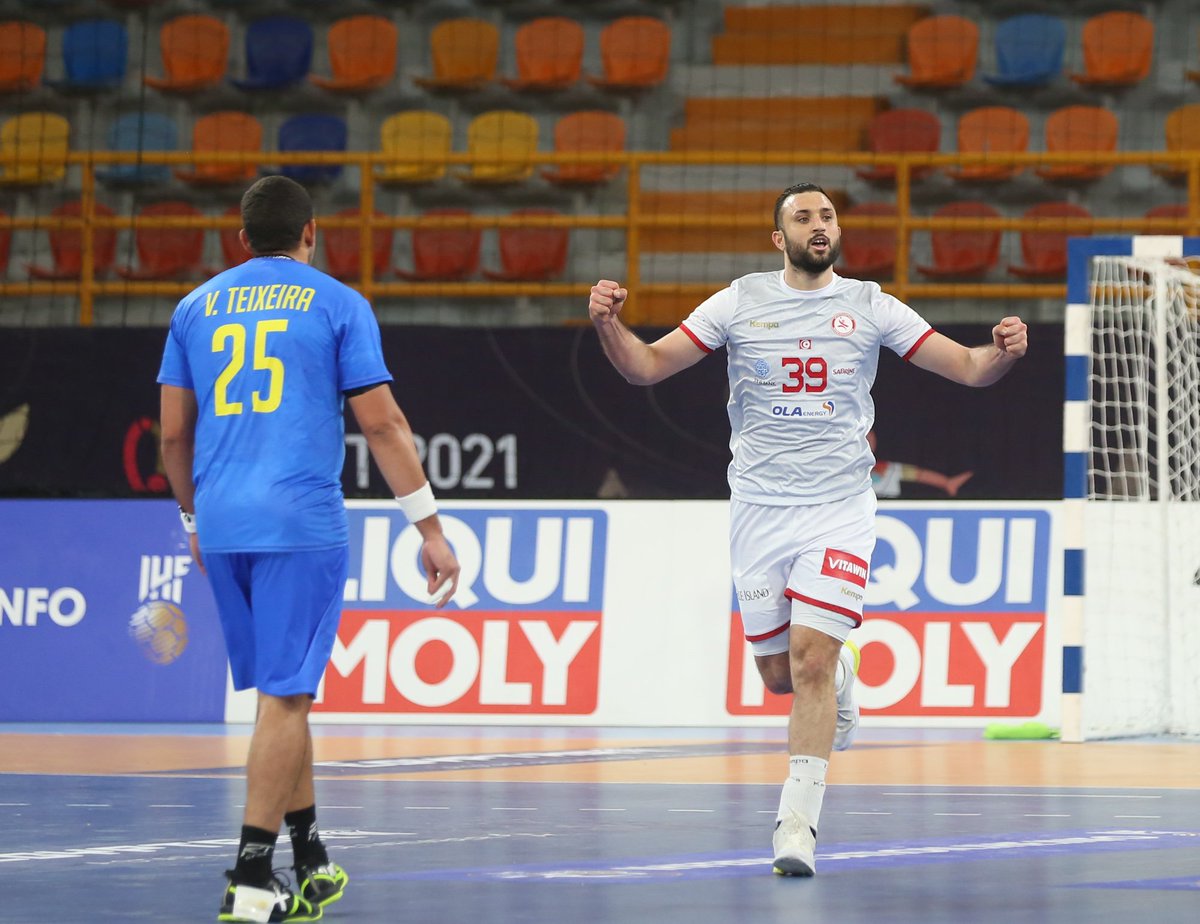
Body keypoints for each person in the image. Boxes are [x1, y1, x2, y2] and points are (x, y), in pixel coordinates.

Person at [587, 182, 1026, 878]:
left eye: (826, 216)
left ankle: (796, 826)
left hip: (839, 510)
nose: (819, 226)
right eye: (803, 217)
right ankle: (843, 682)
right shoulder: (737, 301)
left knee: (810, 657)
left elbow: (969, 369)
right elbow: (645, 367)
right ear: (779, 238)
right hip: (759, 512)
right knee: (776, 675)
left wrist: (1000, 351)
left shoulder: (871, 305)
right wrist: (609, 324)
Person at [158, 175, 460, 922]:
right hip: (299, 522)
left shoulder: (194, 307)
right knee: (289, 696)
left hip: (223, 523)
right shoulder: (336, 303)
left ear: (240, 239)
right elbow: (383, 426)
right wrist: (428, 527)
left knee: (280, 697)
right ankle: (253, 877)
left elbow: (171, 436)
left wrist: (193, 524)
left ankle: (312, 858)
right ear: (311, 233)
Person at [867, 431, 974, 498]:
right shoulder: (850, 470)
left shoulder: (889, 468)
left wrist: (946, 483)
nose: (867, 442)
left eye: (868, 438)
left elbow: (919, 475)